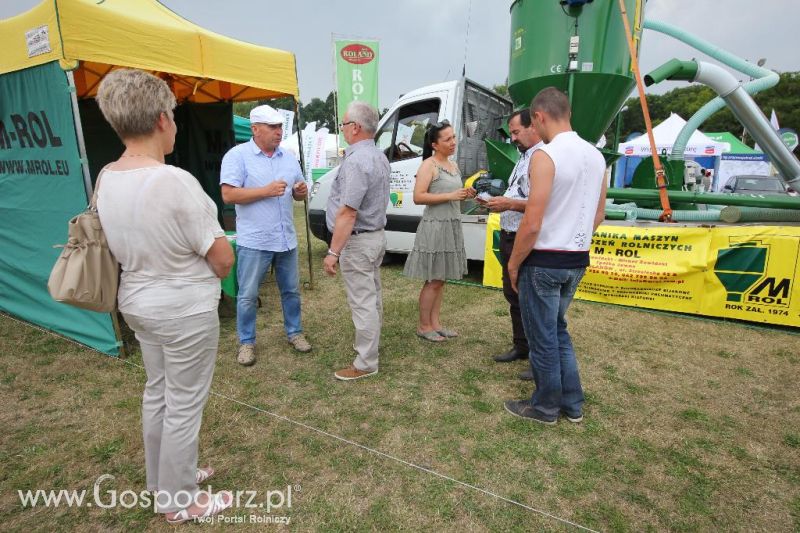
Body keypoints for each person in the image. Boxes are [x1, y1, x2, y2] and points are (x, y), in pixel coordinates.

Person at [95, 69, 235, 523]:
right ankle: (180, 500)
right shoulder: (173, 180)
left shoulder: (106, 176)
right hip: (182, 308)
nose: (175, 124)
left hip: (137, 302)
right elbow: (222, 257)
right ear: (160, 119)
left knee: (159, 392)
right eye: (173, 116)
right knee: (183, 403)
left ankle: (167, 480)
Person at [505, 87, 607, 425]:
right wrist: (576, 241)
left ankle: (545, 406)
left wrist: (514, 262)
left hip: (545, 259)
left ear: (539, 117)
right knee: (558, 330)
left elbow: (532, 221)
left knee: (543, 337)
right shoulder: (596, 155)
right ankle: (572, 402)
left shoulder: (545, 156)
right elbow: (598, 214)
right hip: (576, 257)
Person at [220, 104, 311, 367]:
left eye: (280, 127)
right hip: (255, 240)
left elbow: (298, 193)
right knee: (248, 295)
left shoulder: (289, 157)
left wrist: (300, 191)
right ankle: (246, 341)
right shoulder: (237, 156)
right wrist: (265, 190)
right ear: (255, 129)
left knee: (291, 291)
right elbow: (228, 194)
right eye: (272, 127)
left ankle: (294, 332)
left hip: (285, 239)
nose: (278, 132)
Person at [323, 101, 390, 381]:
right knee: (372, 298)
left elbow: (348, 211)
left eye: (343, 124)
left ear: (355, 128)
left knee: (363, 301)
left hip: (359, 241)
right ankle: (370, 349)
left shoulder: (358, 160)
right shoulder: (379, 156)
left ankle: (365, 362)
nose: (342, 129)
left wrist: (332, 252)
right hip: (374, 237)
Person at [479, 109, 543, 379]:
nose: (513, 138)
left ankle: (540, 358)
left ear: (533, 127)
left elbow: (542, 204)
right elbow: (517, 193)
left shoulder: (542, 158)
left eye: (516, 132)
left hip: (524, 237)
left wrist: (509, 204)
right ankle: (522, 346)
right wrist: (496, 203)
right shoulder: (524, 156)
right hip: (508, 233)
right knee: (514, 295)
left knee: (531, 300)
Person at [403, 121, 476, 342]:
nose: (453, 142)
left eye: (453, 137)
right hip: (435, 227)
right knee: (433, 279)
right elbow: (418, 197)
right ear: (434, 144)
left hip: (451, 225)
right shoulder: (429, 165)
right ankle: (424, 326)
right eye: (447, 139)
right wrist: (451, 196)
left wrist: (466, 193)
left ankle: (435, 324)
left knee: (441, 278)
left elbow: (452, 194)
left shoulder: (453, 166)